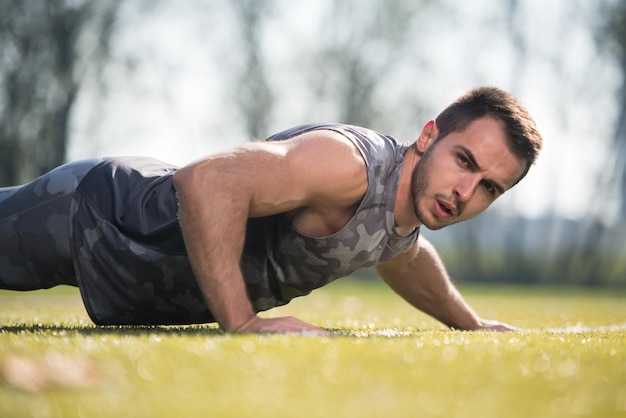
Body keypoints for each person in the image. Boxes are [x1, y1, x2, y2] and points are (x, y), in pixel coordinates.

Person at [0, 87, 542, 335]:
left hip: (128, 265)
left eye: (489, 188)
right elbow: (209, 181)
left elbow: (404, 256)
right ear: (428, 136)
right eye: (464, 160)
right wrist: (243, 323)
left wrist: (470, 324)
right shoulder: (346, 165)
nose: (465, 191)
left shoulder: (405, 215)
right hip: (96, 216)